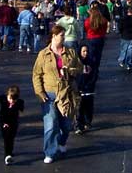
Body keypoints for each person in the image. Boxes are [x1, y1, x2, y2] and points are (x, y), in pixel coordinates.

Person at [32, 25, 81, 164]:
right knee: (51, 124)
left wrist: (70, 70)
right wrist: (39, 92)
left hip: (66, 93)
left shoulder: (70, 52)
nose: (64, 38)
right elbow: (36, 74)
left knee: (66, 125)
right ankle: (50, 152)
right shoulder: (43, 54)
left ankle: (61, 141)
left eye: (64, 36)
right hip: (49, 93)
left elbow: (79, 68)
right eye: (61, 36)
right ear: (54, 36)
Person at [0, 85, 24, 166]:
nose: (11, 101)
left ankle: (10, 152)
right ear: (7, 95)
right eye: (10, 99)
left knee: (11, 137)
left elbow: (21, 108)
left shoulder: (19, 102)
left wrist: (16, 105)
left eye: (14, 100)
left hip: (13, 122)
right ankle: (7, 155)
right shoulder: (3, 99)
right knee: (7, 138)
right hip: (4, 122)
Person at [75, 44, 96, 134]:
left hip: (88, 89)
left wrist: (90, 85)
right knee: (79, 108)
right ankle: (78, 126)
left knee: (88, 107)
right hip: (78, 89)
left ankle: (87, 122)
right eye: (83, 51)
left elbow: (94, 75)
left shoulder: (91, 62)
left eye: (87, 51)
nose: (85, 53)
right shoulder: (76, 63)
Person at [84, 5, 109, 78]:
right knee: (98, 55)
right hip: (100, 38)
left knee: (91, 55)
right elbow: (105, 29)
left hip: (91, 39)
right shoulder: (103, 20)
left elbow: (86, 29)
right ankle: (96, 69)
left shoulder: (88, 21)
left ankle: (92, 69)